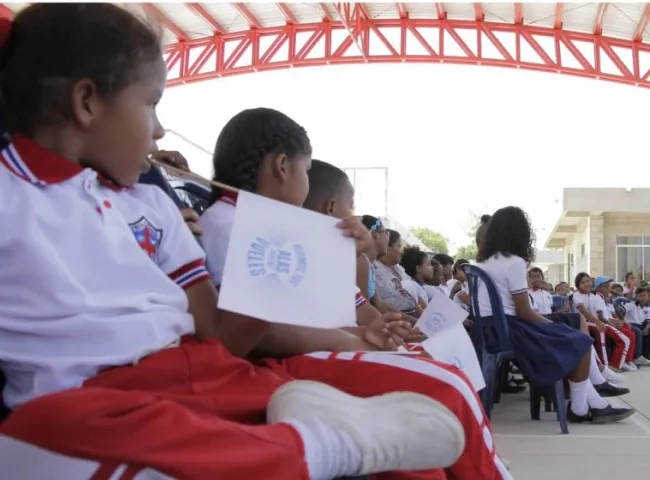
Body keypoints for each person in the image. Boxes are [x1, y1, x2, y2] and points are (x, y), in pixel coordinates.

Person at [0, 8, 471, 478]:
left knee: (416, 461)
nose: (159, 129)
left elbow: (221, 337)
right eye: (151, 104)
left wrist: (296, 260)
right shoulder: (10, 196)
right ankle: (323, 447)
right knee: (40, 428)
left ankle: (312, 444)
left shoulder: (154, 206)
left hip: (203, 372)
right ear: (87, 103)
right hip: (99, 398)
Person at [197, 115, 511, 479]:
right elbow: (262, 333)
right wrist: (353, 337)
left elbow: (323, 306)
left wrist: (362, 329)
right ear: (283, 167)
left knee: (435, 396)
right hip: (286, 363)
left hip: (314, 350)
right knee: (447, 386)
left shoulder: (263, 224)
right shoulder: (233, 224)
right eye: (306, 170)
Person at [476, 207, 634, 422]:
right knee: (579, 338)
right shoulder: (514, 262)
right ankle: (581, 407)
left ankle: (594, 393)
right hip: (511, 328)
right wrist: (551, 326)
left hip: (491, 327)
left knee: (574, 320)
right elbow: (524, 311)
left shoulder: (483, 262)